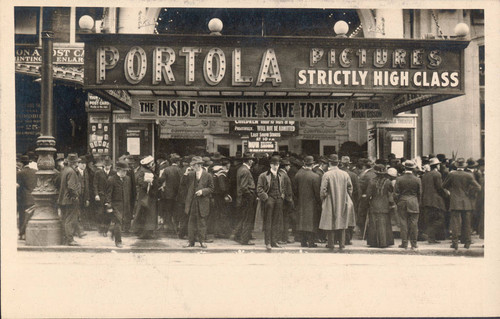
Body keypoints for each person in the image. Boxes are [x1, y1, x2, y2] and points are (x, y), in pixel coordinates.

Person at [443, 158, 481, 250]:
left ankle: (455, 243)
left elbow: (444, 186)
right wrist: (469, 193)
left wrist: (450, 192)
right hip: (466, 202)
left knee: (455, 223)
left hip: (455, 201)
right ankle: (467, 243)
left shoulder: (451, 174)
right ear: (464, 166)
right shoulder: (469, 175)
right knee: (467, 223)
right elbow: (478, 187)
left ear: (456, 165)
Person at [257, 156, 293, 250]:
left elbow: (285, 187)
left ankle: (274, 241)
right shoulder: (263, 175)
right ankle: (268, 242)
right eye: (274, 164)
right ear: (270, 165)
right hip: (269, 200)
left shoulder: (281, 176)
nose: (276, 166)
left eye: (277, 164)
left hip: (278, 200)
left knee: (277, 221)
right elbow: (259, 189)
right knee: (268, 221)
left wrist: (282, 196)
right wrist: (266, 198)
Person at [319, 154, 353, 251]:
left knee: (330, 222)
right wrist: (346, 196)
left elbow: (323, 190)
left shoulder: (327, 174)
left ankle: (331, 244)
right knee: (342, 221)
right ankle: (342, 244)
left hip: (330, 200)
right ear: (338, 163)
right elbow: (350, 188)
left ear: (329, 163)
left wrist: (324, 199)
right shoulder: (345, 174)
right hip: (343, 200)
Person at [184, 156, 214, 248]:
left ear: (199, 165)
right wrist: (185, 174)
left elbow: (211, 188)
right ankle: (191, 242)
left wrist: (202, 191)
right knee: (191, 222)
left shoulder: (207, 175)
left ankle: (202, 241)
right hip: (192, 201)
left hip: (202, 202)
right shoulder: (190, 174)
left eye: (194, 165)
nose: (192, 167)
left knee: (202, 222)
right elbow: (183, 185)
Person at [294, 156, 321, 248]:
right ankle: (311, 242)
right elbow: (317, 193)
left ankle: (303, 242)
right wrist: (319, 203)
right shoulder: (315, 176)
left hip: (301, 202)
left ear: (304, 164)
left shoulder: (298, 175)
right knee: (311, 222)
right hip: (312, 203)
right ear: (312, 164)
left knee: (302, 222)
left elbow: (295, 191)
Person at [365, 164, 395, 248]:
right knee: (384, 222)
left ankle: (374, 242)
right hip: (384, 203)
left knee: (374, 223)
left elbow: (368, 194)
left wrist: (367, 202)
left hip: (374, 203)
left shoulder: (372, 181)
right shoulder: (388, 182)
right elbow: (391, 193)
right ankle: (385, 241)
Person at [394, 160, 422, 250]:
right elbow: (420, 193)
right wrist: (417, 202)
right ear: (413, 168)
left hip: (402, 201)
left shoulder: (399, 179)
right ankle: (414, 244)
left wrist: (398, 201)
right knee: (414, 224)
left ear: (404, 168)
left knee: (403, 223)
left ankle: (404, 243)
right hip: (413, 202)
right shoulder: (417, 179)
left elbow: (396, 193)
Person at [104, 161, 132, 248]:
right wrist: (108, 205)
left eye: (126, 171)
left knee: (120, 222)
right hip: (116, 205)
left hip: (125, 204)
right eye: (123, 171)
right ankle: (118, 241)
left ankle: (113, 231)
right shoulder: (111, 179)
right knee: (118, 222)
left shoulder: (127, 179)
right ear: (118, 170)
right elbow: (108, 194)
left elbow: (129, 192)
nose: (125, 173)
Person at [421, 157, 448, 244]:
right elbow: (439, 188)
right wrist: (446, 194)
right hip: (435, 201)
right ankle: (430, 235)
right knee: (440, 219)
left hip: (426, 200)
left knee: (430, 219)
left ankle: (431, 238)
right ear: (437, 166)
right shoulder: (437, 174)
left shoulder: (425, 175)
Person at [57, 153, 82, 246]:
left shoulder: (64, 170)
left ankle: (65, 239)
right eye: (77, 162)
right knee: (70, 220)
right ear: (74, 163)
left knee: (64, 219)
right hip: (70, 199)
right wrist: (75, 196)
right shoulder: (71, 172)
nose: (77, 164)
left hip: (63, 199)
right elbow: (71, 187)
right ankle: (70, 240)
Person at [233, 152, 257, 245]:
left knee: (243, 218)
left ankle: (237, 236)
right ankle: (244, 240)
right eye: (252, 160)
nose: (252, 162)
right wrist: (250, 194)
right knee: (248, 219)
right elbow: (244, 187)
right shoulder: (245, 170)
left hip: (242, 198)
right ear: (249, 161)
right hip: (246, 198)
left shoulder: (241, 169)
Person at [133, 155, 159, 239]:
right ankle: (145, 232)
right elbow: (143, 183)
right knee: (148, 214)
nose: (154, 165)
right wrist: (151, 184)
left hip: (144, 196)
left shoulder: (142, 170)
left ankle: (142, 231)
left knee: (143, 213)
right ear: (149, 164)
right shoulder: (147, 172)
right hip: (147, 196)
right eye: (152, 164)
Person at [158, 154, 182, 234]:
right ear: (178, 162)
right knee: (176, 211)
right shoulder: (180, 170)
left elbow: (161, 180)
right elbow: (182, 182)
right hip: (177, 194)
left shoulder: (166, 170)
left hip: (168, 194)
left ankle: (168, 227)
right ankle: (176, 227)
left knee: (168, 210)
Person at [340, 156, 359, 245]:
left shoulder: (337, 173)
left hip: (339, 199)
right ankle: (347, 239)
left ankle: (338, 238)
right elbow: (357, 190)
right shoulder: (353, 175)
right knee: (349, 220)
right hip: (350, 199)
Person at [16, 155, 37, 239]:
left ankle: (22, 233)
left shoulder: (20, 173)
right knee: (30, 216)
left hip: (23, 198)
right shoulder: (35, 171)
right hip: (34, 198)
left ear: (21, 163)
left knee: (22, 216)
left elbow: (18, 186)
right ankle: (28, 233)